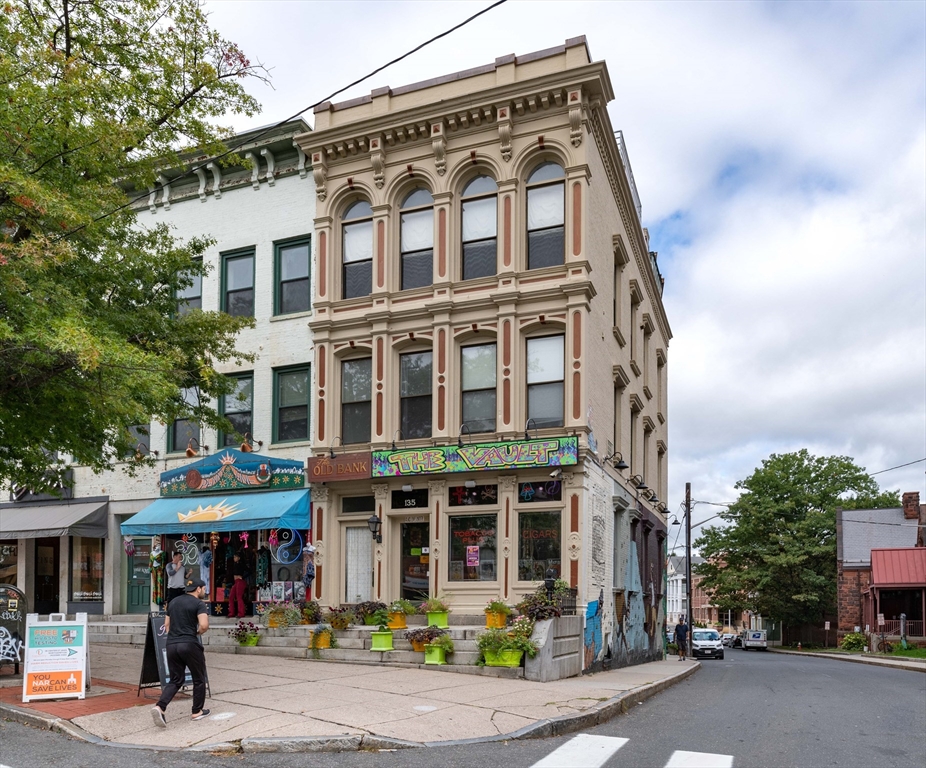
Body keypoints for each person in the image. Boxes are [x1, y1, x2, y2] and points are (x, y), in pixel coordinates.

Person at [151, 578, 210, 727]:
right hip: (189, 643)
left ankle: (160, 706)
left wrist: (175, 636)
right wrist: (196, 633)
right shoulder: (199, 604)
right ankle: (197, 711)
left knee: (176, 679)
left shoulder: (173, 602)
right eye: (204, 588)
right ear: (198, 589)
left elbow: (166, 624)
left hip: (171, 644)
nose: (204, 591)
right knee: (199, 678)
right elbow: (204, 625)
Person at [226, 552, 248, 619]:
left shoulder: (241, 564)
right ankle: (231, 612)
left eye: (235, 557)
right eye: (234, 557)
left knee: (239, 597)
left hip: (240, 581)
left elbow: (249, 571)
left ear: (239, 558)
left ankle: (241, 613)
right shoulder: (234, 565)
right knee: (231, 596)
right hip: (235, 582)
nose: (234, 558)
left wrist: (242, 577)